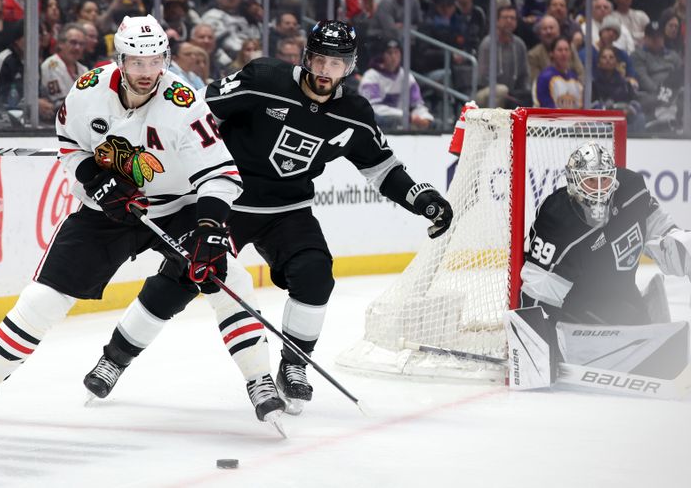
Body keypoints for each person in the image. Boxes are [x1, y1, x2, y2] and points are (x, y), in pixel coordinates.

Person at [89, 21, 453, 414]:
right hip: (226, 201)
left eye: (337, 63)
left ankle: (294, 366)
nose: (325, 71)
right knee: (181, 277)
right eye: (320, 59)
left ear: (349, 67)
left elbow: (382, 168)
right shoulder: (263, 78)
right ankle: (115, 358)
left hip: (288, 211)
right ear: (306, 57)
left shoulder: (355, 113)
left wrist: (422, 197)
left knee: (316, 274)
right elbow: (196, 114)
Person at [0, 14, 285, 427]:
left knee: (229, 282)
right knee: (43, 298)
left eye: (155, 61)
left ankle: (259, 380)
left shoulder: (183, 103)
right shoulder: (87, 93)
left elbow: (220, 174)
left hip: (179, 207)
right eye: (137, 62)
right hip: (108, 210)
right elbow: (70, 148)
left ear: (166, 58)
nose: (146, 72)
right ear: (119, 60)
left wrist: (210, 231)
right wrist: (93, 179)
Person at [520, 142, 690, 327]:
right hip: (575, 319)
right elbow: (539, 291)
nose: (600, 189)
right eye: (591, 180)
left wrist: (680, 245)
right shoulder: (556, 218)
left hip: (624, 304)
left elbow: (656, 223)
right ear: (574, 181)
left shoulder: (631, 189)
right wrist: (539, 340)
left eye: (605, 179)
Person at [358, 39, 433, 130]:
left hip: (401, 122)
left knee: (434, 123)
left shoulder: (406, 76)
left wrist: (426, 118)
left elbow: (417, 105)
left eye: (396, 52)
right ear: (382, 55)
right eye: (389, 53)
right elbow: (373, 108)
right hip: (375, 125)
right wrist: (406, 117)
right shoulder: (371, 76)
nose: (393, 57)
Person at [535, 36, 583, 109]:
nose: (564, 53)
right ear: (552, 53)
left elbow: (580, 106)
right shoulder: (544, 78)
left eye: (566, 50)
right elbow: (546, 107)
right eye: (560, 50)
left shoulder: (574, 77)